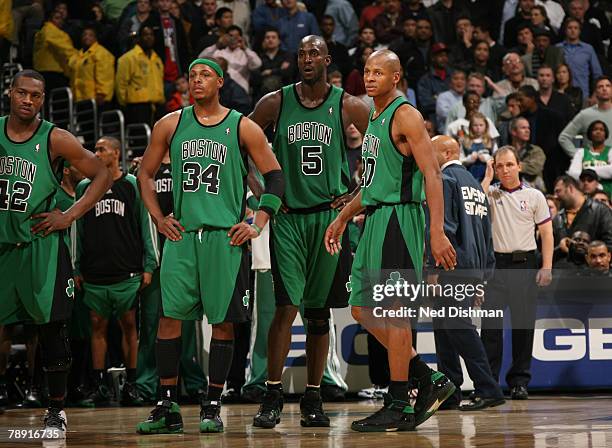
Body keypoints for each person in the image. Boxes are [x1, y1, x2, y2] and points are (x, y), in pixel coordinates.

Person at [136, 58, 283, 434]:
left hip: (225, 239)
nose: (197, 81)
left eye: (205, 75)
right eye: (192, 76)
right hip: (182, 237)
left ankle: (213, 403)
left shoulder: (242, 126)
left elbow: (275, 178)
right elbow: (145, 173)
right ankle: (166, 405)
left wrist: (257, 222)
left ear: (220, 82)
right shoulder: (170, 124)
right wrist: (158, 217)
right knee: (169, 319)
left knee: (223, 323)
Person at [325, 49, 457, 432]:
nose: (369, 78)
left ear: (395, 78)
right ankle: (427, 378)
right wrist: (341, 218)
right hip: (376, 219)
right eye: (366, 71)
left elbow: (433, 175)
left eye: (378, 73)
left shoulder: (406, 115)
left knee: (395, 313)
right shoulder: (375, 119)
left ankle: (398, 402)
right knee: (361, 309)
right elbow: (369, 187)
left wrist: (437, 231)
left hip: (401, 218)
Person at [248, 35, 370, 429]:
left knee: (318, 315)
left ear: (327, 60)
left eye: (314, 52)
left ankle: (313, 397)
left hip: (328, 221)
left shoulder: (346, 103)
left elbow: (381, 146)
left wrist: (356, 193)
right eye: (301, 53)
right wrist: (263, 194)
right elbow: (239, 143)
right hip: (288, 220)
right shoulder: (276, 102)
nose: (306, 58)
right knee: (285, 309)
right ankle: (272, 394)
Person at [0, 69, 112, 437]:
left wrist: (70, 215)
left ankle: (56, 410)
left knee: (52, 329)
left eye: (35, 95)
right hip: (4, 248)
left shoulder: (55, 139)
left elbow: (101, 175)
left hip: (41, 247)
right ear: (10, 93)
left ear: (43, 99)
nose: (28, 100)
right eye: (22, 93)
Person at [73, 136, 157, 407]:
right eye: (94, 149)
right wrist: (76, 266)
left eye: (101, 149)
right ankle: (99, 386)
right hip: (95, 272)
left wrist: (149, 264)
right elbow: (77, 230)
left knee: (130, 326)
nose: (96, 153)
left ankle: (132, 384)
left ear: (116, 154)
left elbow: (146, 224)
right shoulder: (84, 187)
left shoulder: (131, 185)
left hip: (127, 271)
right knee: (97, 326)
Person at [429, 135, 505, 411]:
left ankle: (488, 387)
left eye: (432, 150)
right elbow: (487, 234)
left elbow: (444, 228)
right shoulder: (475, 185)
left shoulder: (445, 181)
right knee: (444, 327)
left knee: (456, 326)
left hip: (451, 264)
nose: (428, 154)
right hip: (473, 267)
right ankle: (450, 392)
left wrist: (432, 268)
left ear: (448, 151)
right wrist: (484, 276)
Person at [480, 146, 553, 400]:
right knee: (490, 327)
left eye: (509, 165)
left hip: (525, 265)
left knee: (523, 327)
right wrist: (487, 178)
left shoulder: (534, 196)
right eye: (499, 166)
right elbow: (473, 206)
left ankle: (519, 381)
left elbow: (546, 233)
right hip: (495, 268)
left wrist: (546, 267)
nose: (505, 170)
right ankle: (488, 383)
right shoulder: (489, 193)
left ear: (519, 166)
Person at [552, 175, 612, 262]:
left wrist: (588, 249)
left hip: (593, 272)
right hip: (563, 271)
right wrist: (559, 248)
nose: (555, 196)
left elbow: (610, 243)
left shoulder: (601, 211)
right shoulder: (557, 218)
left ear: (570, 188)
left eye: (558, 191)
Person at [115, 25, 165, 127]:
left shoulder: (157, 59)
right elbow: (121, 83)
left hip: (156, 106)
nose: (149, 37)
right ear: (139, 38)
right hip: (137, 106)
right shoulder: (128, 58)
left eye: (151, 35)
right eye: (145, 35)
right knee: (140, 139)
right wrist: (125, 103)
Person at [558, 76, 612, 159]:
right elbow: (564, 137)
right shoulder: (585, 114)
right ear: (595, 92)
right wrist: (580, 157)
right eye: (600, 87)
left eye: (608, 86)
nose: (604, 89)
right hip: (592, 165)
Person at [556, 17, 602, 100]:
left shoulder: (588, 49)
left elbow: (597, 74)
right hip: (561, 95)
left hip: (583, 95)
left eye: (576, 28)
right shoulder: (557, 48)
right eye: (570, 28)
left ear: (580, 31)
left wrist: (595, 94)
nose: (573, 30)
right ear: (565, 30)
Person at [68, 26, 115, 105]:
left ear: (96, 38)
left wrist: (102, 93)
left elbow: (105, 75)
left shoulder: (101, 53)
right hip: (79, 98)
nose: (87, 37)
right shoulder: (77, 55)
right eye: (84, 35)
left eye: (90, 35)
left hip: (95, 99)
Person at [567, 121, 612, 196]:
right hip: (585, 194)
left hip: (608, 193)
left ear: (605, 134)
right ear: (590, 134)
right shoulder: (581, 152)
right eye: (595, 129)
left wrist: (587, 170)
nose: (598, 132)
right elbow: (573, 173)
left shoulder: (610, 151)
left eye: (601, 130)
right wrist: (602, 172)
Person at [509, 117, 546, 190]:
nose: (527, 131)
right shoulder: (507, 151)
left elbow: (534, 168)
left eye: (528, 128)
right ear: (513, 131)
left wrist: (511, 165)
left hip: (533, 190)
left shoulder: (535, 150)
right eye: (523, 128)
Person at [460, 112, 496, 181]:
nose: (478, 128)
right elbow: (460, 159)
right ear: (470, 127)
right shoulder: (465, 141)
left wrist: (487, 158)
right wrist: (468, 159)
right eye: (475, 125)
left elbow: (496, 159)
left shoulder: (491, 141)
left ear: (486, 126)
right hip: (469, 176)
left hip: (487, 176)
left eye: (481, 125)